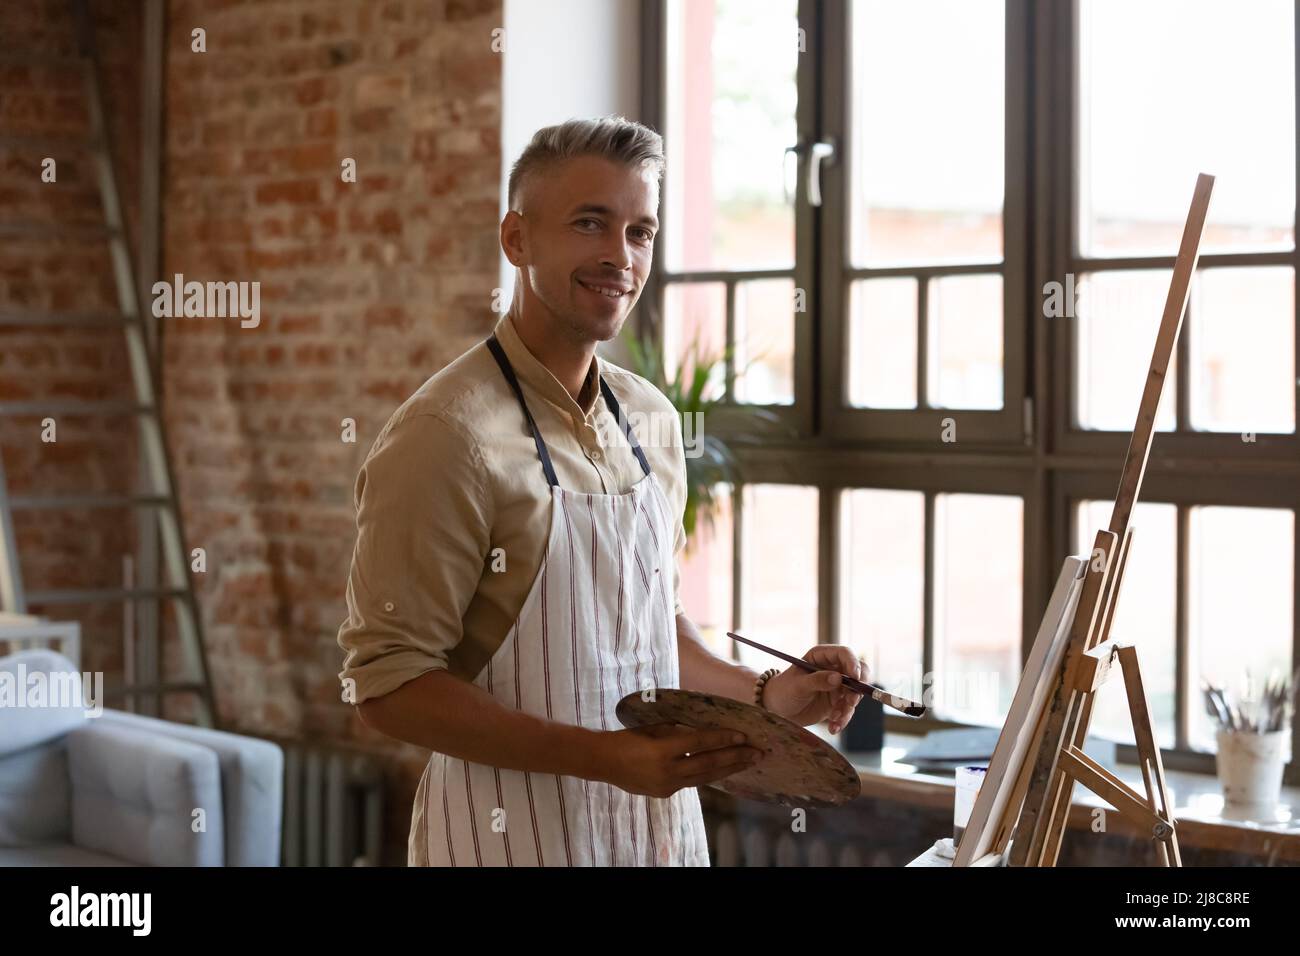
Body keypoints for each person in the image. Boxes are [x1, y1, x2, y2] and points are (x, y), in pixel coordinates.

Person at [337, 116, 866, 866]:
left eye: (640, 231)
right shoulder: (443, 434)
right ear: (516, 239)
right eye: (591, 223)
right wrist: (605, 758)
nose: (620, 256)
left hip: (658, 844)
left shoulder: (650, 417)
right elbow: (388, 687)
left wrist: (776, 697)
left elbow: (653, 635)